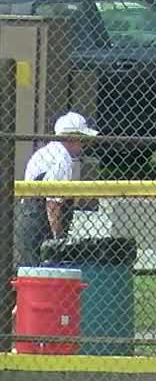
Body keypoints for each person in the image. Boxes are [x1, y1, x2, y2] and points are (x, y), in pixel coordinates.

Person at [16, 112, 96, 266]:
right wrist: (57, 239)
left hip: (27, 216)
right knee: (43, 271)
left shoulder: (46, 151)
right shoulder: (62, 159)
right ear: (71, 137)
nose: (83, 144)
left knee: (31, 272)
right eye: (81, 139)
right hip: (38, 222)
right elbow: (53, 203)